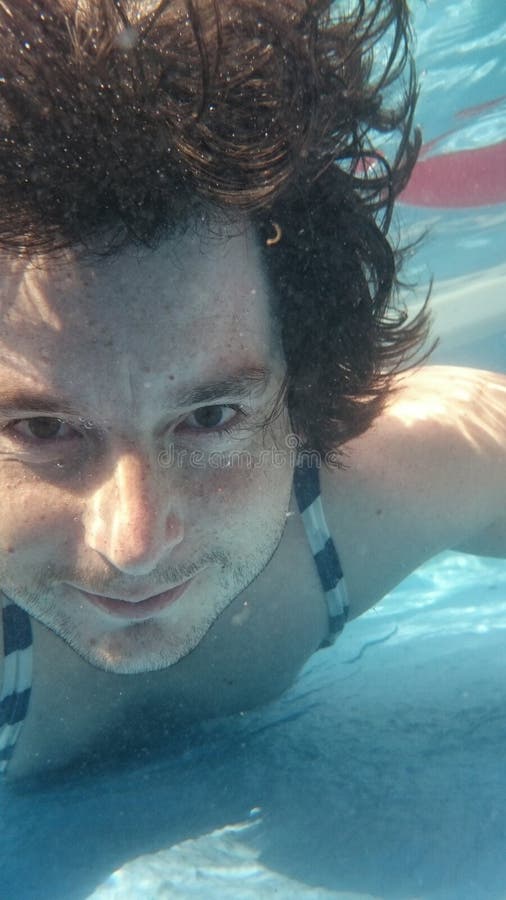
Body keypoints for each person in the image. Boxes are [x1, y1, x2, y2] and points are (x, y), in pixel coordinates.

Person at [0, 0, 505, 782]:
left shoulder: (373, 498)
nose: (133, 547)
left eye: (209, 416)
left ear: (302, 390)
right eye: (40, 429)